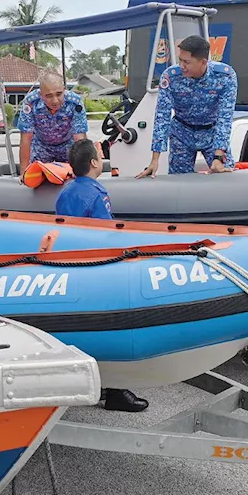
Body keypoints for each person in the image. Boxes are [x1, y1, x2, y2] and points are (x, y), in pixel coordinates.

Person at [52, 139, 148, 413]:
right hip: (94, 267)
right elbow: (105, 233)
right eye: (101, 154)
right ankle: (116, 390)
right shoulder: (96, 192)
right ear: (94, 163)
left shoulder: (67, 191)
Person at [136, 36, 237, 178]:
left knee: (226, 175)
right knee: (179, 183)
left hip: (212, 133)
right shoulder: (171, 77)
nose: (181, 66)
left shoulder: (225, 76)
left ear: (203, 62)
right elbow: (162, 116)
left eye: (186, 62)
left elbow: (225, 117)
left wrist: (219, 157)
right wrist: (155, 159)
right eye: (180, 60)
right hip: (182, 133)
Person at [17, 73, 91, 166]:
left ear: (64, 90)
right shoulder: (31, 103)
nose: (55, 100)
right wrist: (24, 173)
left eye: (59, 94)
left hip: (68, 145)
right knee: (35, 175)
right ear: (41, 94)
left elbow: (79, 138)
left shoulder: (75, 103)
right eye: (49, 96)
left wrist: (82, 172)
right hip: (41, 145)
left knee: (73, 175)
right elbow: (26, 138)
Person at [55, 138, 113, 220]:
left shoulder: (64, 193)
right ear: (94, 163)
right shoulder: (98, 196)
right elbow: (106, 227)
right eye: (99, 157)